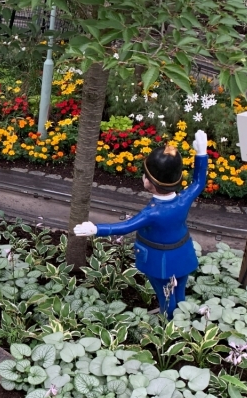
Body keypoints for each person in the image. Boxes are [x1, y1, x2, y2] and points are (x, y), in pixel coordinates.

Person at [73, 130, 209, 317]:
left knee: (165, 294)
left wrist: (96, 229)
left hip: (159, 259)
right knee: (179, 289)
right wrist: (201, 154)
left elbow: (125, 226)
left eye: (145, 175)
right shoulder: (183, 199)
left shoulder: (152, 212)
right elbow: (199, 182)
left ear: (149, 182)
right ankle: (183, 315)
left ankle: (170, 324)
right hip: (182, 253)